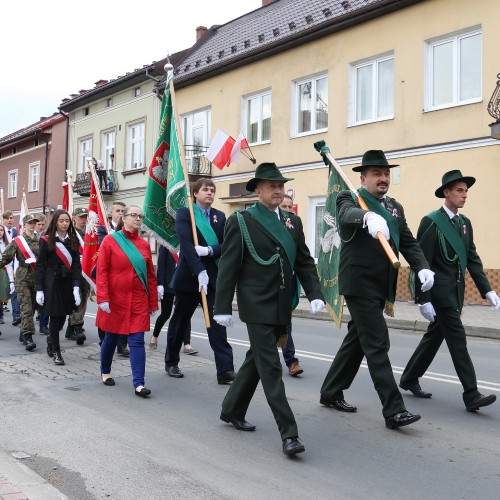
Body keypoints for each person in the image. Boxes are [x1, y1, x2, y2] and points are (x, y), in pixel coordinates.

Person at [214, 162, 325, 456]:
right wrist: (222, 306)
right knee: (272, 368)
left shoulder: (292, 222)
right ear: (258, 190)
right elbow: (228, 265)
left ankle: (231, 409)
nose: (278, 191)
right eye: (272, 186)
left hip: (282, 303)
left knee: (257, 359)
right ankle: (289, 434)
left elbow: (303, 260)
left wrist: (315, 292)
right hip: (256, 304)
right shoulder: (241, 220)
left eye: (280, 186)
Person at [319, 150, 435, 430]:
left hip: (381, 283)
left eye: (386, 174)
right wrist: (367, 217)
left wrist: (421, 266)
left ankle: (331, 391)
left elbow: (407, 240)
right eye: (376, 174)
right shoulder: (348, 196)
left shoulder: (395, 207)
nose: (383, 178)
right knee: (377, 342)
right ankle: (394, 410)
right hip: (358, 283)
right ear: (363, 177)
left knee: (358, 339)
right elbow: (346, 214)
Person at [400, 170, 499, 412]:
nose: (465, 195)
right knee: (458, 340)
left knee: (434, 337)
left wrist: (488, 291)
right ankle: (471, 394)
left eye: (466, 191)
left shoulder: (464, 224)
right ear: (446, 192)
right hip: (439, 295)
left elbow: (472, 259)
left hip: (455, 293)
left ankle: (409, 378)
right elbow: (421, 261)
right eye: (459, 190)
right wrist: (423, 300)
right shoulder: (432, 221)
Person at [164, 178, 234, 384]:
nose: (210, 193)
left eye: (212, 190)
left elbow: (227, 244)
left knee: (217, 324)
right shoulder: (186, 214)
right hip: (189, 277)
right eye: (205, 189)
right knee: (180, 322)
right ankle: (171, 362)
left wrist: (211, 250)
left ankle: (225, 370)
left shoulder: (220, 217)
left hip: (213, 280)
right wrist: (199, 270)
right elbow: (186, 245)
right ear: (195, 193)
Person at [96, 205, 158, 397]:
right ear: (124, 218)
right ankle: (105, 371)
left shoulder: (144, 245)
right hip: (116, 299)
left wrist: (153, 302)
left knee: (137, 340)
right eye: (134, 215)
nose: (138, 219)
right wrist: (103, 297)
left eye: (141, 216)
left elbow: (150, 276)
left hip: (139, 299)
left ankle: (139, 384)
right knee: (111, 338)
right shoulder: (110, 240)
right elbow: (102, 271)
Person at [35, 210, 82, 366]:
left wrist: (76, 286)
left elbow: (76, 266)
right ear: (55, 222)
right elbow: (40, 266)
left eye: (67, 221)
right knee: (55, 317)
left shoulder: (73, 239)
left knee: (63, 317)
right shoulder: (46, 240)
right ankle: (57, 351)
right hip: (52, 282)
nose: (64, 223)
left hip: (67, 282)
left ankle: (51, 339)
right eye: (61, 221)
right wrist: (39, 288)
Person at [0, 214, 41, 351]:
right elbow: (5, 258)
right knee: (27, 308)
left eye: (34, 222)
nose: (32, 225)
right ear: (24, 225)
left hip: (37, 278)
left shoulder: (41, 240)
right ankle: (28, 337)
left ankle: (23, 332)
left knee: (33, 308)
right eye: (30, 223)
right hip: (22, 278)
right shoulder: (17, 241)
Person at [149, 245, 196, 355]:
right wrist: (160, 284)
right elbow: (161, 266)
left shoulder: (186, 242)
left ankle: (186, 344)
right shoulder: (166, 245)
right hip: (168, 284)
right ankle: (155, 336)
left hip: (182, 283)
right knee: (166, 313)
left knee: (185, 313)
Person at [97, 201, 129, 356]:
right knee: (106, 312)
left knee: (124, 313)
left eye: (123, 210)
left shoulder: (127, 229)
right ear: (111, 213)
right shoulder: (104, 229)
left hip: (124, 277)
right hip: (108, 275)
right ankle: (104, 340)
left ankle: (122, 345)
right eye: (118, 210)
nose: (121, 213)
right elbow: (100, 245)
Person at [279, 194, 304, 376]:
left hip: (289, 281)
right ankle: (291, 361)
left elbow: (302, 252)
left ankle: (290, 361)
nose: (288, 210)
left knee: (284, 321)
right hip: (269, 283)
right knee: (272, 324)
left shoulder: (295, 223)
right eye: (284, 206)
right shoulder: (269, 223)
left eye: (290, 206)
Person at [65, 207, 90, 345]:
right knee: (77, 299)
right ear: (74, 218)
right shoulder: (71, 234)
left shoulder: (90, 234)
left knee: (84, 299)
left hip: (86, 272)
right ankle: (78, 329)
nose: (83, 220)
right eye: (81, 217)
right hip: (73, 271)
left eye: (85, 217)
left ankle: (70, 329)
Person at [3, 211, 21, 325]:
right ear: (3, 220)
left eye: (11, 218)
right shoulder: (1, 231)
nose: (10, 220)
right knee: (3, 291)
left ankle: (16, 315)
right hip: (3, 265)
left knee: (15, 291)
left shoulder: (16, 232)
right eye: (7, 218)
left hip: (14, 265)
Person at [34, 213, 49, 335]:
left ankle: (43, 324)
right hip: (28, 273)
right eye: (38, 224)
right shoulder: (27, 237)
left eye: (43, 224)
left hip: (44, 272)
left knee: (45, 299)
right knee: (30, 302)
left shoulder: (48, 237)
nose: (40, 227)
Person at [0, 225, 10, 329]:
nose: (0, 232)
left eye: (2, 230)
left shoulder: (7, 244)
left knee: (2, 294)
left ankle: (1, 314)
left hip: (4, 271)